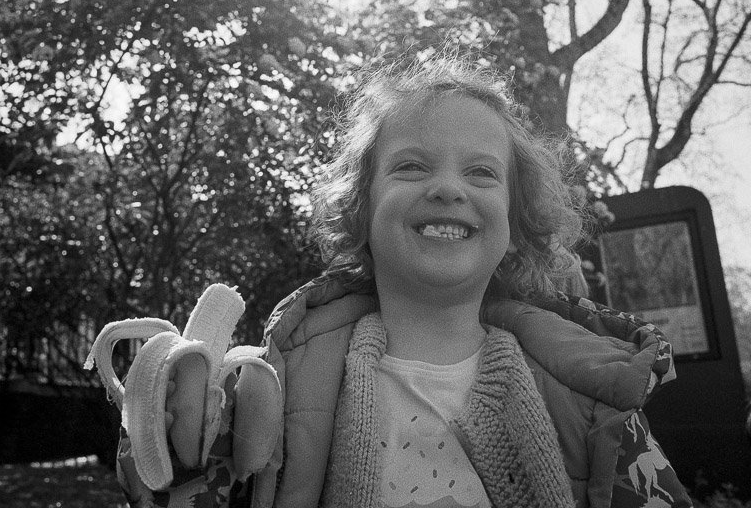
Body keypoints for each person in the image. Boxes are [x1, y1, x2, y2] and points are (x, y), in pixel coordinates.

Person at [115, 53, 692, 508]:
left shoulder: (592, 396)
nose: (447, 188)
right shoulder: (279, 384)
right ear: (361, 209)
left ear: (516, 225)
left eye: (481, 172)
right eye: (412, 166)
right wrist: (176, 454)